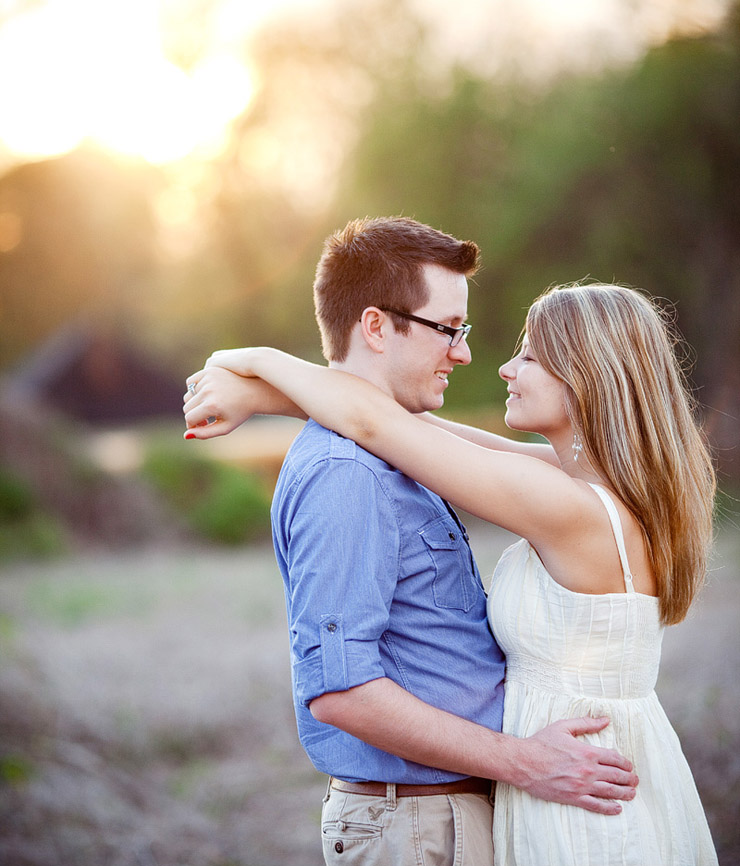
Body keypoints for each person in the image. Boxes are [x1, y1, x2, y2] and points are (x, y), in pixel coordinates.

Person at [184, 273, 718, 865]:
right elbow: (409, 426)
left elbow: (377, 426)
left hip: (576, 790)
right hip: (587, 771)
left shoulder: (566, 504)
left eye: (531, 356)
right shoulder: (595, 485)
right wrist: (263, 397)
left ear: (588, 376)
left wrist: (255, 358)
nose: (506, 369)